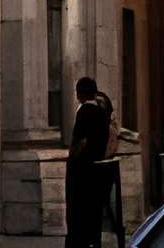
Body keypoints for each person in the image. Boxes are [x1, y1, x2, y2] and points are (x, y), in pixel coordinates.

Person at [67, 75, 120, 248]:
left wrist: (72, 156)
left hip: (82, 169)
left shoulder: (84, 112)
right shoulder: (101, 112)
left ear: (80, 94)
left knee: (78, 212)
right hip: (97, 167)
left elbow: (81, 141)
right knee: (94, 212)